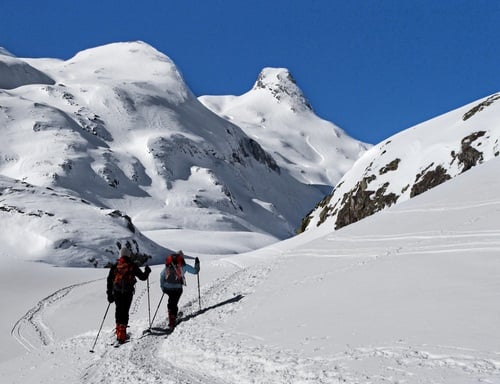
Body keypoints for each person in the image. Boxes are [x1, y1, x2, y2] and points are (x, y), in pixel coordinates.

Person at [106, 246, 151, 343]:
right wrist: (147, 271)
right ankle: (122, 333)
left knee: (119, 310)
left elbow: (109, 280)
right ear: (128, 254)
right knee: (125, 311)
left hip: (117, 292)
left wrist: (109, 294)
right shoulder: (132, 265)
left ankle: (118, 331)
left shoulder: (115, 266)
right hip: (128, 292)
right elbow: (143, 277)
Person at [160, 250, 200, 330]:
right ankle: (172, 321)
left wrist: (163, 287)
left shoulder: (168, 265)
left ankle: (171, 316)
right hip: (177, 288)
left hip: (167, 288)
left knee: (171, 302)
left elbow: (162, 275)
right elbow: (195, 271)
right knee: (174, 303)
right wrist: (197, 264)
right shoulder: (183, 265)